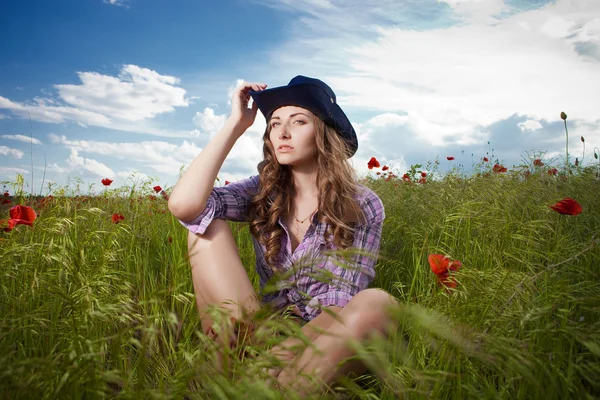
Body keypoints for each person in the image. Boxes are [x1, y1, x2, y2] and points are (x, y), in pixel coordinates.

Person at [168, 76, 398, 396]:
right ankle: (235, 373)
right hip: (261, 334)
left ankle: (271, 386)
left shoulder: (361, 204)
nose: (283, 133)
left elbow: (339, 306)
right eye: (275, 123)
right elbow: (185, 207)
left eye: (298, 121)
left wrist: (272, 360)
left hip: (324, 339)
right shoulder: (263, 192)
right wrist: (236, 124)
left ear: (323, 132)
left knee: (379, 303)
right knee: (205, 228)